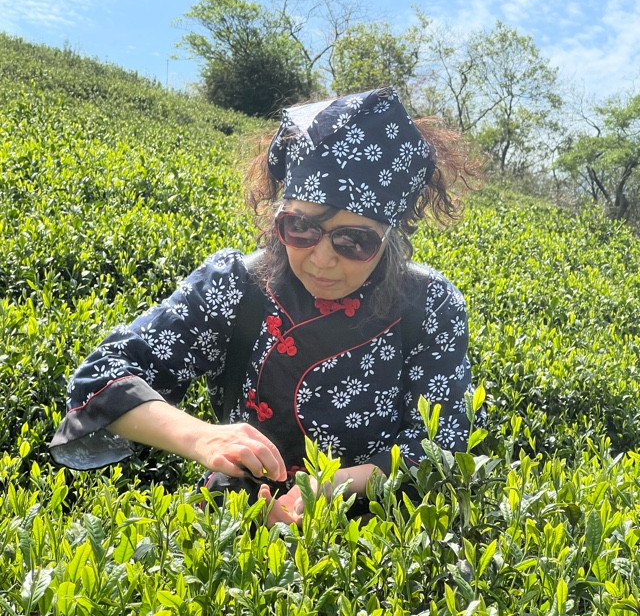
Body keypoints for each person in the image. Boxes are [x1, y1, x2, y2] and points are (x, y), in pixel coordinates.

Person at [50, 87, 484, 526]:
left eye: (354, 240)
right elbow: (101, 378)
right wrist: (203, 438)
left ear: (390, 236)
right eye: (300, 227)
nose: (321, 259)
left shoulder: (428, 304)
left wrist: (331, 485)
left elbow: (444, 439)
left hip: (377, 531)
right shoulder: (236, 284)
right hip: (232, 522)